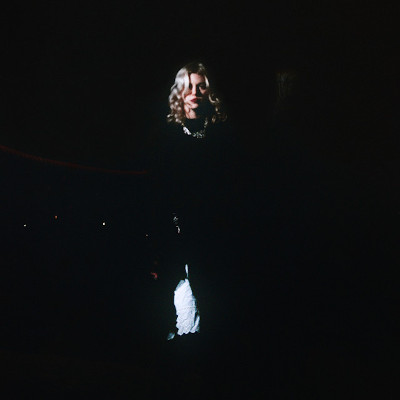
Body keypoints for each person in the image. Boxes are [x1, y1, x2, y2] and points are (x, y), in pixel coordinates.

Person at [147, 62, 238, 349]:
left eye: (200, 86)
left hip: (213, 233)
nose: (194, 92)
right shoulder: (167, 136)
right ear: (179, 91)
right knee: (178, 302)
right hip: (175, 234)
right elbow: (158, 189)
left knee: (212, 304)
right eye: (188, 86)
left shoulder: (221, 135)